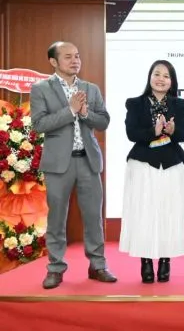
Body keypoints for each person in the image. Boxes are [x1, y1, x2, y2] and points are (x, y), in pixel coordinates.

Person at [30, 41, 117, 289]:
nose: (75, 60)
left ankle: (98, 265)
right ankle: (55, 268)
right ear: (53, 61)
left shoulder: (90, 88)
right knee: (57, 217)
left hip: (88, 161)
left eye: (77, 56)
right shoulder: (40, 89)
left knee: (93, 216)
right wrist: (70, 110)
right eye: (68, 57)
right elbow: (39, 124)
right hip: (59, 164)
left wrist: (86, 113)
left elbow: (104, 121)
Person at [119, 60, 184, 283]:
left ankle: (165, 261)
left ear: (172, 81)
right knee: (144, 213)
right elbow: (132, 133)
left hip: (171, 165)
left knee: (169, 212)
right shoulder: (135, 103)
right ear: (149, 77)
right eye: (157, 74)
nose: (161, 79)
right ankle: (146, 262)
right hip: (143, 165)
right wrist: (154, 131)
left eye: (166, 76)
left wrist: (173, 130)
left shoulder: (181, 104)